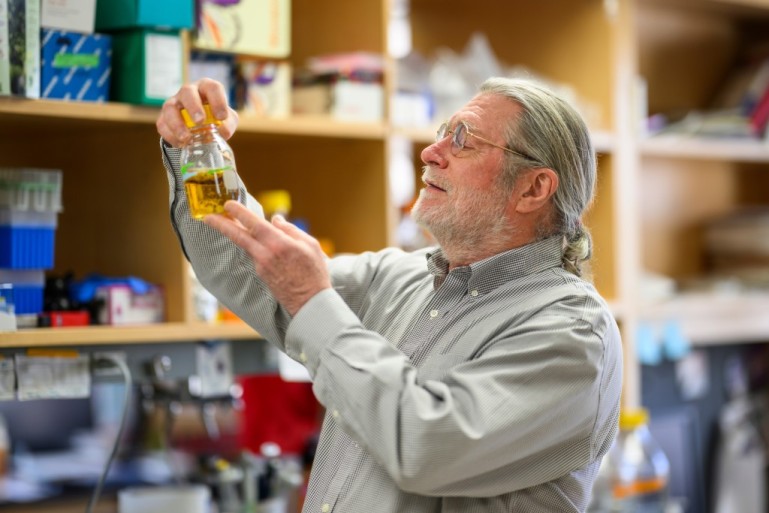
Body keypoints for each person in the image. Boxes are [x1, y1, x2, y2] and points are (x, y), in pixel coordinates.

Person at [156, 76, 623, 513]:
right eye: (442, 132)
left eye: (463, 140)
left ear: (533, 188)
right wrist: (197, 150)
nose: (431, 153)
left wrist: (313, 300)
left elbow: (426, 446)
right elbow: (247, 270)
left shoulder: (573, 333)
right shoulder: (399, 277)